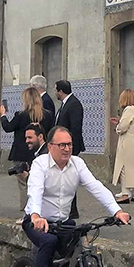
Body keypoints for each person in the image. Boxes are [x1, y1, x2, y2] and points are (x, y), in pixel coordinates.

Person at [23, 126, 129, 267]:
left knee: (81, 256)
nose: (67, 149)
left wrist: (117, 211)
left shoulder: (77, 164)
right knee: (49, 241)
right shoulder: (40, 164)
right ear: (50, 147)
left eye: (70, 145)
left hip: (63, 223)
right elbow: (35, 191)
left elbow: (96, 187)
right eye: (62, 145)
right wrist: (36, 215)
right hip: (37, 221)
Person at [3, 87, 54, 198]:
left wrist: (3, 115)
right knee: (39, 181)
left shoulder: (21, 115)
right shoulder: (48, 115)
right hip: (40, 153)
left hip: (21, 153)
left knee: (23, 184)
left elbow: (8, 127)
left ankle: (26, 208)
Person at [54, 80, 85, 218]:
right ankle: (69, 208)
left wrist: (68, 145)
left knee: (70, 177)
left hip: (70, 146)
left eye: (56, 90)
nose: (55, 93)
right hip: (64, 145)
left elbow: (75, 128)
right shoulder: (65, 104)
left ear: (61, 91)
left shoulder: (74, 104)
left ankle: (72, 210)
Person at [111, 89, 134, 204]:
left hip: (128, 142)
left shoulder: (129, 109)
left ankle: (125, 194)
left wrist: (117, 127)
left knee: (124, 168)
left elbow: (123, 127)